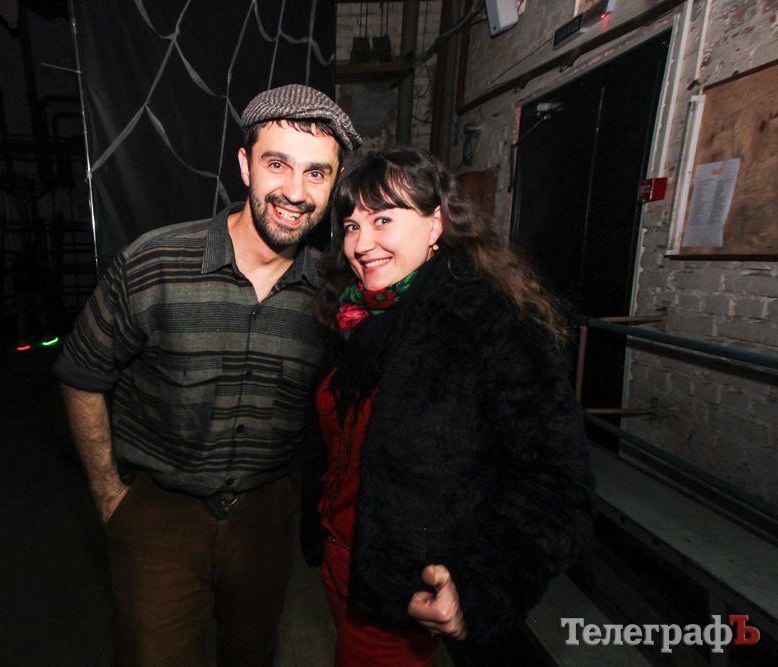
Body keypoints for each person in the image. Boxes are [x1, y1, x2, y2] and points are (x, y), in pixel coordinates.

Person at [54, 84, 361, 666]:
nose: (296, 192)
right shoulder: (154, 263)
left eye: (317, 173)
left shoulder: (333, 290)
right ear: (245, 165)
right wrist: (110, 497)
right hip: (158, 519)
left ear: (334, 183)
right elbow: (81, 372)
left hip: (265, 521)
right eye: (278, 164)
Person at [301, 147, 595, 666]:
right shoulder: (352, 315)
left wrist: (481, 583)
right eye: (351, 226)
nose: (361, 244)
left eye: (383, 220)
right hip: (338, 557)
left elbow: (556, 482)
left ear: (435, 223)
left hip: (399, 585)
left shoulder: (487, 321)